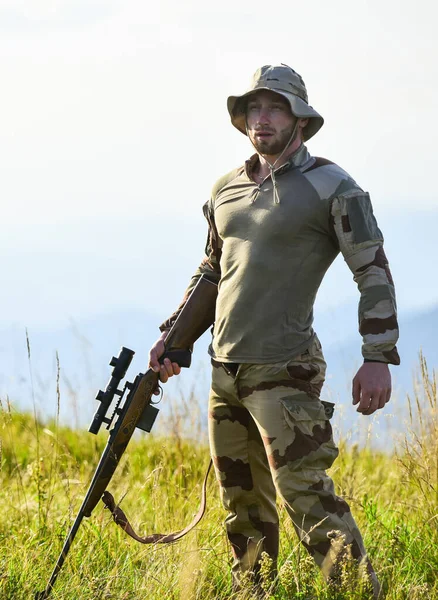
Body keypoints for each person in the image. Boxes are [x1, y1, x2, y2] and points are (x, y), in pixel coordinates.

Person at [149, 64, 399, 598]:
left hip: (285, 370)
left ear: (300, 120)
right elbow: (212, 271)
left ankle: (359, 594)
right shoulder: (226, 187)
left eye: (276, 108)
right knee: (241, 503)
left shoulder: (334, 187)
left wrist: (378, 354)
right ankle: (253, 593)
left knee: (306, 496)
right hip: (224, 371)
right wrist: (176, 336)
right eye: (255, 108)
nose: (262, 118)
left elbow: (372, 270)